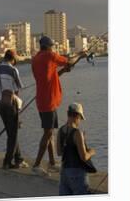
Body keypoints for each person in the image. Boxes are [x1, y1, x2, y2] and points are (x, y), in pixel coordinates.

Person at [31, 36, 88, 176]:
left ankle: (51, 163)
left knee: (49, 132)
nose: (53, 49)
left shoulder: (36, 59)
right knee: (48, 133)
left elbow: (50, 77)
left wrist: (63, 71)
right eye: (52, 46)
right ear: (49, 46)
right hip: (48, 101)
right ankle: (37, 165)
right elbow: (69, 61)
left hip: (42, 100)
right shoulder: (49, 55)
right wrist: (80, 55)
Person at [0, 50, 28, 169]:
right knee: (13, 134)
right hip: (11, 105)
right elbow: (18, 89)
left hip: (0, 105)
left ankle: (18, 158)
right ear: (13, 58)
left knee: (11, 132)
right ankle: (7, 161)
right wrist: (18, 107)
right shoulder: (13, 70)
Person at [57, 103, 96, 195]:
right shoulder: (77, 133)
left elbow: (59, 152)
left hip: (65, 172)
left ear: (68, 114)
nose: (80, 122)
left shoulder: (61, 130)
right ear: (77, 116)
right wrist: (91, 151)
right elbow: (84, 157)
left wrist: (80, 141)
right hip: (77, 173)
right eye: (80, 119)